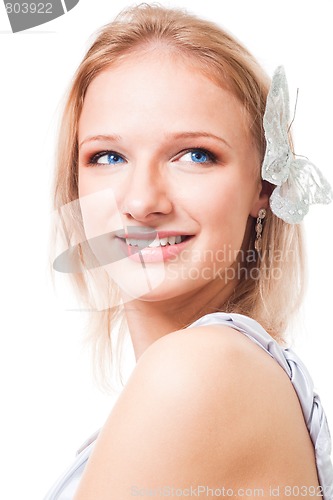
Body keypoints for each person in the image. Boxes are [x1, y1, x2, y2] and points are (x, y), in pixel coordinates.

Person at [46, 4, 333, 499]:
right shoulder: (236, 376)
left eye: (195, 155)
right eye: (107, 157)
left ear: (264, 184)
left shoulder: (200, 372)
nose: (141, 203)